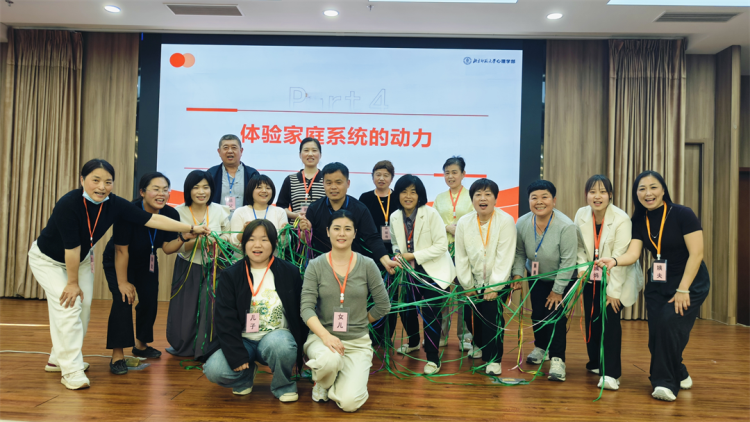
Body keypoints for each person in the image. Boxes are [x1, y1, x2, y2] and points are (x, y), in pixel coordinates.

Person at [27, 159, 209, 390]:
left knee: (84, 307)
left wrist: (191, 228)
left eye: (108, 182)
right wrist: (72, 283)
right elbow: (71, 248)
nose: (102, 187)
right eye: (96, 180)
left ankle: (57, 359)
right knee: (70, 306)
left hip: (82, 259)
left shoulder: (114, 204)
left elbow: (153, 219)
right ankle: (72, 369)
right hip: (49, 260)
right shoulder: (68, 204)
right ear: (82, 180)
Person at [598, 170, 709, 402]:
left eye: (653, 187)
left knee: (669, 326)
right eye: (642, 189)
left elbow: (697, 254)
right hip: (658, 283)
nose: (648, 193)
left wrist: (683, 289)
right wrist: (614, 261)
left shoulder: (683, 214)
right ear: (636, 194)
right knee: (656, 335)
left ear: (663, 189)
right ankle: (679, 371)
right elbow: (633, 253)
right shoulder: (639, 220)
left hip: (689, 281)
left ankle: (664, 383)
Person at [103, 172, 197, 375]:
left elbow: (168, 248)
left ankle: (141, 345)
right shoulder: (128, 212)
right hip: (119, 260)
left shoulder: (170, 214)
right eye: (156, 189)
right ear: (142, 192)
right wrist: (123, 282)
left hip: (147, 261)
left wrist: (183, 237)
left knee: (149, 300)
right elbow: (121, 251)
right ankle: (117, 355)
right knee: (123, 300)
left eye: (165, 190)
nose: (161, 194)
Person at [203, 220, 306, 402]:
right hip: (242, 340)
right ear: (244, 244)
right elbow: (224, 319)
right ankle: (245, 376)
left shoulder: (289, 272)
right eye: (251, 239)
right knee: (214, 370)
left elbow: (300, 311)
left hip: (275, 337)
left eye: (264, 239)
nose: (257, 245)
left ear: (274, 243)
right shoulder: (231, 275)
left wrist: (303, 348)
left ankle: (283, 385)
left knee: (282, 346)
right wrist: (236, 355)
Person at [301, 210, 391, 412]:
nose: (341, 233)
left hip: (357, 343)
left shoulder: (367, 265)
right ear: (328, 232)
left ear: (355, 233)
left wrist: (361, 321)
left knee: (350, 403)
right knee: (329, 359)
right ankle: (322, 382)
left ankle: (334, 377)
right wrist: (326, 336)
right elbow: (306, 309)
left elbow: (383, 305)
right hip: (322, 339)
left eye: (347, 229)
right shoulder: (315, 265)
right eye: (336, 228)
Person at [575, 175, 643, 390]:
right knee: (591, 320)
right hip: (590, 277)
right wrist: (582, 269)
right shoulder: (581, 214)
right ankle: (596, 362)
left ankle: (611, 374)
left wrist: (613, 293)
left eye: (602, 192)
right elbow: (579, 247)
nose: (597, 196)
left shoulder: (621, 219)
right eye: (592, 191)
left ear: (610, 195)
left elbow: (620, 258)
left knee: (609, 324)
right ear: (586, 195)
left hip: (616, 279)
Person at [511, 180, 580, 382]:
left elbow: (568, 261)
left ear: (554, 200)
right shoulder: (522, 222)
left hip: (562, 277)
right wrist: (517, 274)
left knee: (555, 316)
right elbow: (519, 252)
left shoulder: (566, 226)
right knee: (538, 314)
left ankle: (558, 360)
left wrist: (557, 290)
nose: (539, 202)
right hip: (536, 276)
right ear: (529, 201)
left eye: (545, 197)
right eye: (534, 198)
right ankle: (541, 348)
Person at [389, 175, 455, 374]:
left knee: (430, 315)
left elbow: (441, 246)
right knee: (407, 310)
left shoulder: (431, 213)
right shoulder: (395, 216)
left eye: (413, 191)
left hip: (434, 272)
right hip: (409, 271)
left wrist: (412, 255)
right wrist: (397, 254)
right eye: (403, 191)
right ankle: (413, 342)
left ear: (420, 195)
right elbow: (395, 243)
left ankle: (433, 359)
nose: (408, 196)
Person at [166, 170, 232, 359]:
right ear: (188, 190)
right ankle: (184, 346)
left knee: (209, 307)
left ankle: (207, 349)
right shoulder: (177, 212)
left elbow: (229, 238)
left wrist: (217, 240)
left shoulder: (220, 210)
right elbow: (176, 246)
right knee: (186, 308)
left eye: (206, 187)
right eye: (196, 187)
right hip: (188, 266)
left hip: (215, 266)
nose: (201, 192)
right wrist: (199, 240)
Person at [454, 178, 517, 376]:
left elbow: (505, 257)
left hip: (497, 280)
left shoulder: (505, 221)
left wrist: (494, 286)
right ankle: (479, 345)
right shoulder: (464, 222)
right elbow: (461, 256)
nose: (483, 198)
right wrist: (467, 285)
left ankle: (494, 359)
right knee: (471, 316)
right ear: (472, 199)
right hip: (472, 281)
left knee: (492, 318)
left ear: (495, 199)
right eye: (478, 195)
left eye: (488, 194)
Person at [298, 162, 399, 275]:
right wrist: (305, 232)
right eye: (329, 183)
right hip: (323, 269)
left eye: (338, 182)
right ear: (323, 184)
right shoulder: (314, 208)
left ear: (348, 183)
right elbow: (306, 242)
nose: (333, 187)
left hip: (353, 269)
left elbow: (372, 238)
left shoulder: (360, 209)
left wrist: (386, 261)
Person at [433, 156, 475, 352]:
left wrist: (461, 229)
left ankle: (464, 336)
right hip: (443, 252)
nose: (450, 176)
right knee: (442, 293)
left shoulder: (472, 196)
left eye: (454, 172)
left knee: (463, 294)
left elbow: (476, 220)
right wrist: (445, 227)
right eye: (447, 173)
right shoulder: (439, 198)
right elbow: (433, 223)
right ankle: (441, 335)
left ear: (463, 174)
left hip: (464, 252)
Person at [357, 160, 400, 346]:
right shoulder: (365, 198)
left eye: (386, 175)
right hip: (370, 255)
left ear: (392, 177)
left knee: (391, 297)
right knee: (370, 296)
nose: (381, 178)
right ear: (372, 176)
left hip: (394, 255)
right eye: (378, 175)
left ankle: (387, 337)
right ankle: (371, 336)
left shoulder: (398, 197)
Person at [206, 134, 259, 215]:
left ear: (241, 151)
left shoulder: (252, 174)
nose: (230, 151)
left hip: (245, 221)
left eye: (234, 147)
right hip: (217, 221)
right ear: (219, 152)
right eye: (225, 148)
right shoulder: (211, 174)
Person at [230, 175, 288, 246]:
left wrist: (284, 234)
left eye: (268, 188)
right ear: (251, 190)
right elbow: (233, 243)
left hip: (273, 253)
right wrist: (243, 231)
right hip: (245, 253)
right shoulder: (240, 212)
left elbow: (284, 245)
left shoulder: (280, 212)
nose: (264, 191)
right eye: (259, 187)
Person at [276, 137, 325, 220]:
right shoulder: (290, 180)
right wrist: (294, 215)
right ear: (300, 155)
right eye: (306, 150)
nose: (310, 154)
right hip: (296, 227)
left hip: (321, 227)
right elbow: (281, 207)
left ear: (320, 155)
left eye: (314, 150)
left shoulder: (327, 180)